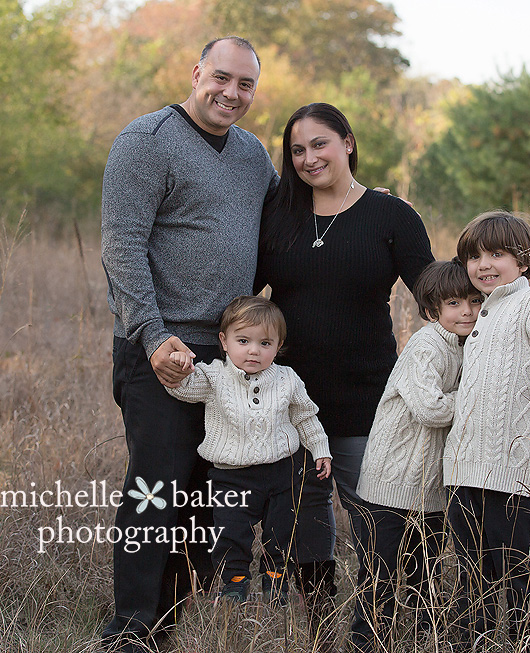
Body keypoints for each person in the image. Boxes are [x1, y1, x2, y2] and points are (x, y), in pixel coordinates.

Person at [99, 36, 278, 651]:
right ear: (196, 71)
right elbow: (122, 249)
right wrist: (151, 335)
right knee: (159, 488)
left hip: (229, 356)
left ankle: (166, 629)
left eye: (246, 85)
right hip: (162, 350)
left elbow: (291, 217)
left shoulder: (253, 155)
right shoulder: (146, 141)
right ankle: (129, 631)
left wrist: (365, 204)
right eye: (221, 78)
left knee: (205, 499)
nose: (232, 93)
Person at [255, 102, 435, 630]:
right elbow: (245, 294)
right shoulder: (279, 217)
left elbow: (434, 293)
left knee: (381, 524)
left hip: (368, 399)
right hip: (290, 404)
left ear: (348, 142)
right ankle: (321, 629)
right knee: (303, 529)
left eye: (320, 144)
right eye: (297, 150)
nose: (309, 158)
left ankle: (372, 628)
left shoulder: (391, 216)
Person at [443, 211, 530, 648]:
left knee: (521, 577)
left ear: (523, 261)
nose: (484, 264)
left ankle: (527, 643)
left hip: (514, 475)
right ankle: (476, 643)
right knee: (471, 581)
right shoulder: (478, 312)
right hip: (464, 473)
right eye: (475, 256)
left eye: (497, 254)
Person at [350, 260, 483, 652]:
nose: (467, 312)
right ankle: (366, 644)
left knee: (425, 577)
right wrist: (474, 399)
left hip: (430, 489)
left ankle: (427, 642)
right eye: (455, 303)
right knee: (380, 578)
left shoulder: (465, 346)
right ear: (432, 310)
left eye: (475, 302)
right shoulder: (427, 346)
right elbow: (431, 408)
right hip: (391, 486)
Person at [165, 296, 333, 604]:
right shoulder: (214, 376)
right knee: (231, 532)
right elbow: (182, 388)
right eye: (243, 341)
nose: (254, 350)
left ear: (278, 345)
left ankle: (274, 578)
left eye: (265, 343)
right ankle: (235, 582)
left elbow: (305, 415)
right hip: (232, 477)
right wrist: (180, 366)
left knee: (281, 530)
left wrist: (320, 448)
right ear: (224, 342)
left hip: (282, 472)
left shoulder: (287, 379)